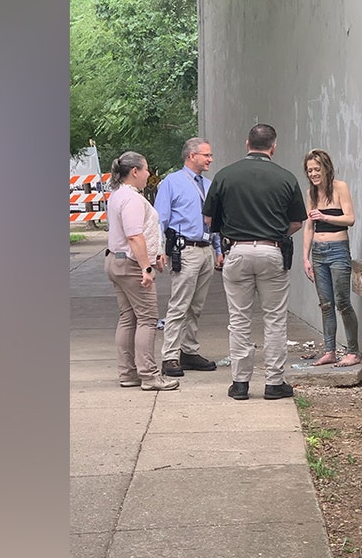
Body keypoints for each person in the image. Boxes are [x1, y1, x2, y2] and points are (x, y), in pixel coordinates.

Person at [202, 123, 307, 401]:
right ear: (273, 147)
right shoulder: (286, 178)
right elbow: (297, 221)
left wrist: (232, 232)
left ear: (247, 144)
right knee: (274, 318)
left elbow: (209, 220)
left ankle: (240, 383)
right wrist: (275, 234)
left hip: (237, 251)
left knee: (239, 319)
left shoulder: (225, 175)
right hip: (272, 251)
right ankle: (274, 383)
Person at [103, 151, 179, 391]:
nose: (149, 175)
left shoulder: (117, 195)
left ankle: (128, 373)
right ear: (134, 171)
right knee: (147, 319)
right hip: (131, 264)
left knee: (128, 317)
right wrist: (146, 266)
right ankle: (149, 375)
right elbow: (134, 235)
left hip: (116, 261)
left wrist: (154, 254)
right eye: (146, 169)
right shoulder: (133, 199)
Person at [153, 137, 224, 377]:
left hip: (204, 248)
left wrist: (218, 250)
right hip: (185, 250)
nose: (210, 159)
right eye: (206, 155)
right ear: (191, 156)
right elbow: (160, 219)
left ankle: (189, 351)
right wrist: (158, 249)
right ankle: (170, 355)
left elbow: (213, 221)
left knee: (196, 306)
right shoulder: (172, 183)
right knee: (179, 304)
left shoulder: (208, 184)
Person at [301, 148, 361, 368]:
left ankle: (353, 351)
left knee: (343, 302)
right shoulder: (311, 194)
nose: (314, 174)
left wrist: (325, 216)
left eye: (317, 169)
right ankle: (329, 350)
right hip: (318, 251)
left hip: (338, 250)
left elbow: (350, 219)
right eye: (309, 171)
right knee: (325, 303)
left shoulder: (340, 188)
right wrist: (305, 258)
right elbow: (309, 226)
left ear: (326, 168)